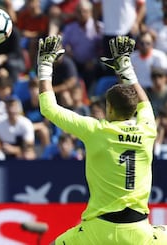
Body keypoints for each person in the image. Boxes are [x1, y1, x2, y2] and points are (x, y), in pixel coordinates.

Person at [37, 35, 167, 244]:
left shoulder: (95, 130)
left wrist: (44, 65)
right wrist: (126, 68)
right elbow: (145, 104)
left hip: (97, 231)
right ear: (134, 111)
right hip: (139, 232)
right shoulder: (147, 129)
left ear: (110, 108)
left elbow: (48, 108)